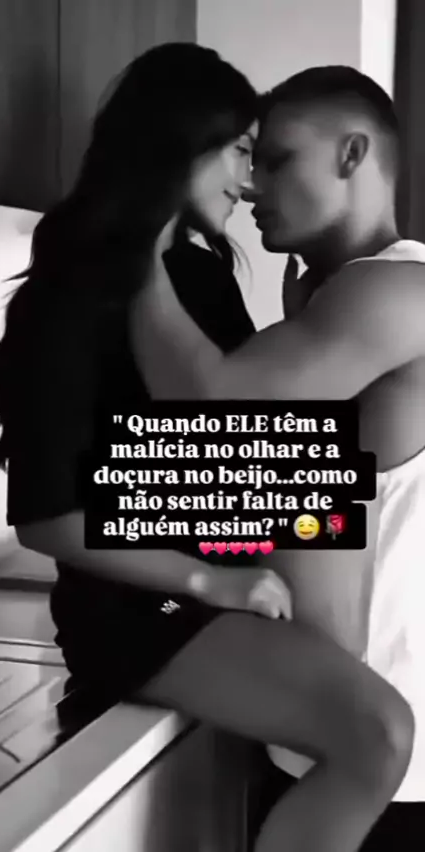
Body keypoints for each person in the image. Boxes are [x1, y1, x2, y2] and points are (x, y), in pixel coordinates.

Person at [0, 47, 413, 852]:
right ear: (177, 145)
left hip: (216, 599)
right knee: (378, 732)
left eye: (264, 156)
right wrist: (210, 576)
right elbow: (46, 514)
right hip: (147, 613)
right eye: (241, 152)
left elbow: (240, 448)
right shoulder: (76, 293)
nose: (250, 183)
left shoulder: (204, 280)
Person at [133, 65, 425, 849]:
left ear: (352, 154)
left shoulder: (394, 291)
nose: (254, 185)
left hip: (378, 753)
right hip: (340, 725)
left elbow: (213, 410)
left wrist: (132, 246)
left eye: (277, 159)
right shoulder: (348, 299)